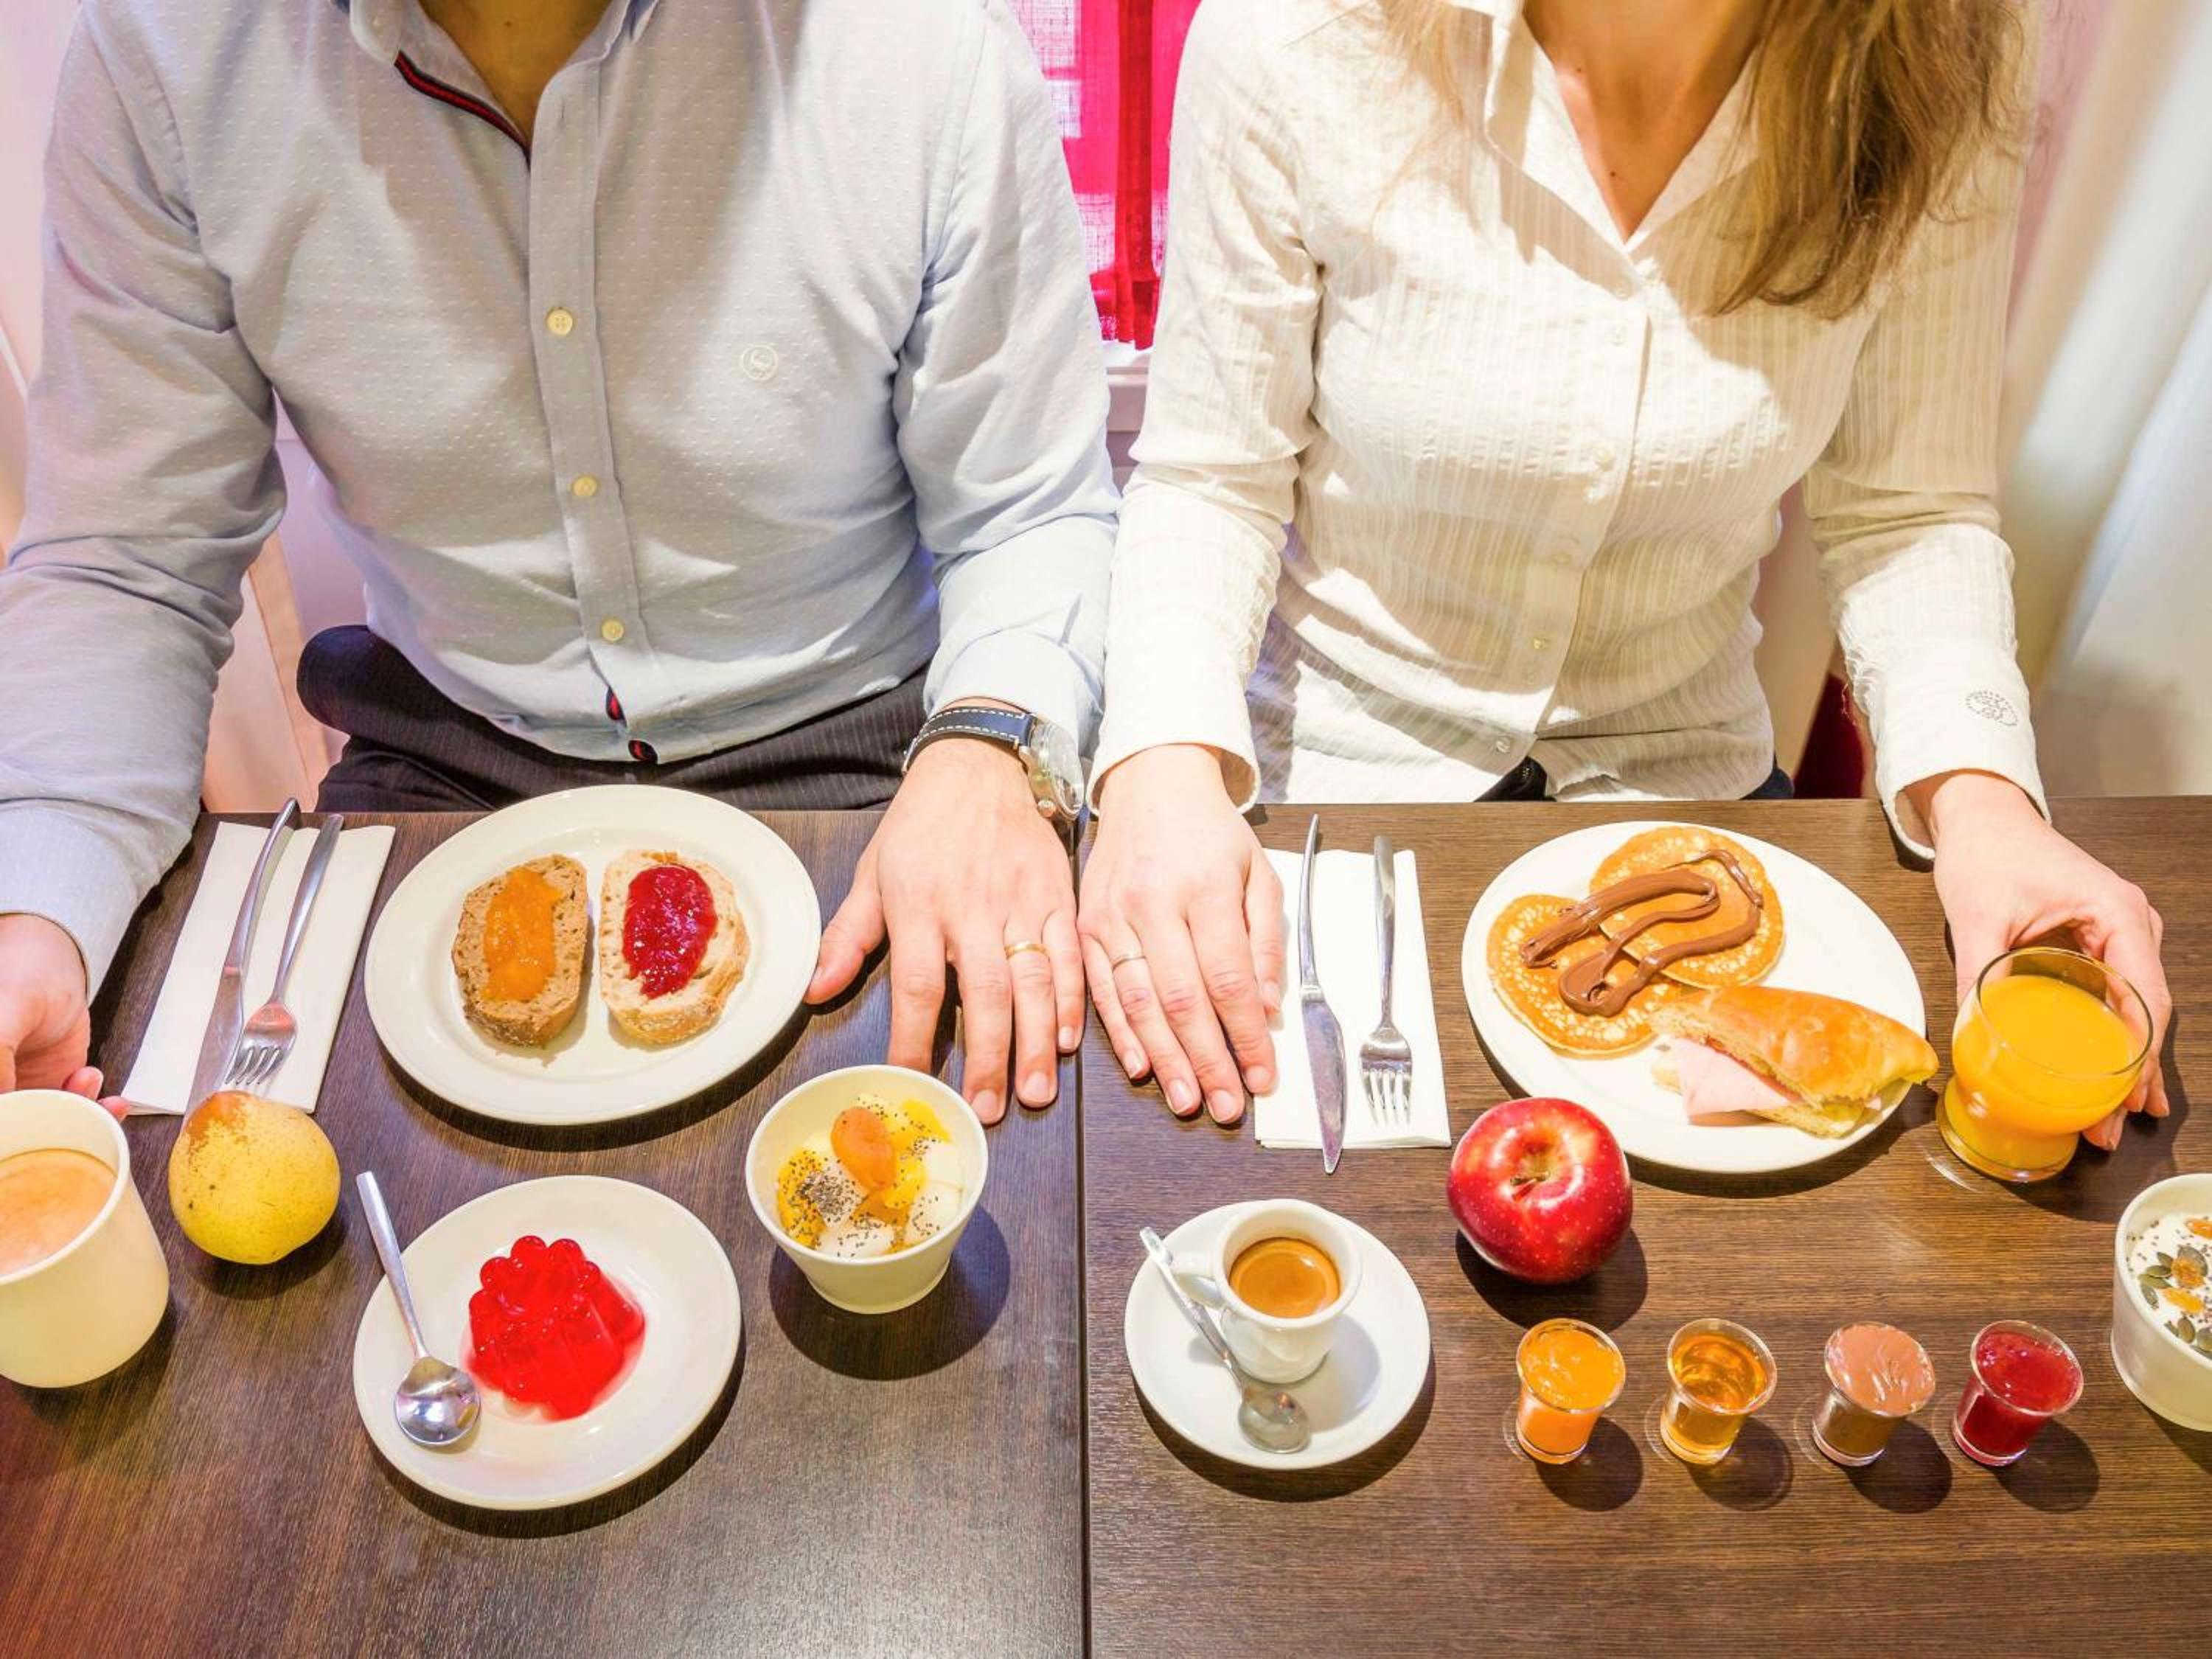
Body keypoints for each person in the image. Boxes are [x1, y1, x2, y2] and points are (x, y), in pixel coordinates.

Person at [0, 0, 1116, 1124]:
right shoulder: (167, 51)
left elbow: (1028, 506)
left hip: (877, 753)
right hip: (448, 757)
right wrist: (35, 909)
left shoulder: (917, 39)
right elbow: (128, 561)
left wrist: (989, 741)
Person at [1078, 0, 2170, 1144]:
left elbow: (1910, 509)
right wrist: (1161, 770)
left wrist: (1989, 808)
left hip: (1689, 794)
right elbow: (1212, 477)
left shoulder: (1939, 52)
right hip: (1346, 790)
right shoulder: (1302, 35)